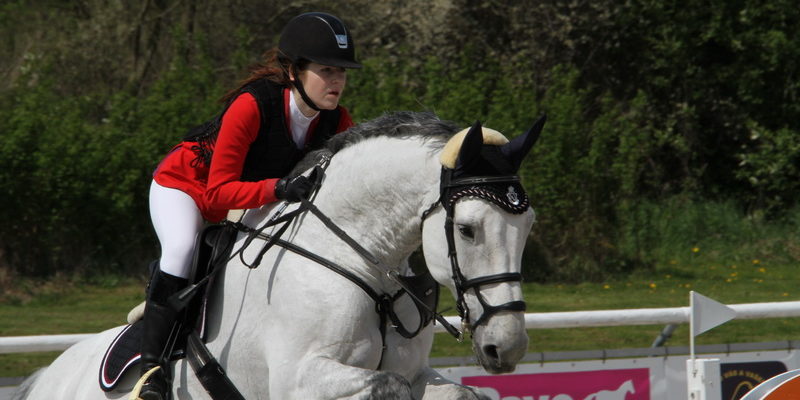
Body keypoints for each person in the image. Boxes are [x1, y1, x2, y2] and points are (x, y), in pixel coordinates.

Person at [137, 12, 361, 400]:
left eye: (342, 71)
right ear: (293, 71)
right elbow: (216, 195)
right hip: (186, 187)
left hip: (251, 195)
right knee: (183, 248)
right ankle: (150, 369)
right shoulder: (252, 105)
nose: (337, 81)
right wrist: (279, 188)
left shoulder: (337, 121)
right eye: (326, 70)